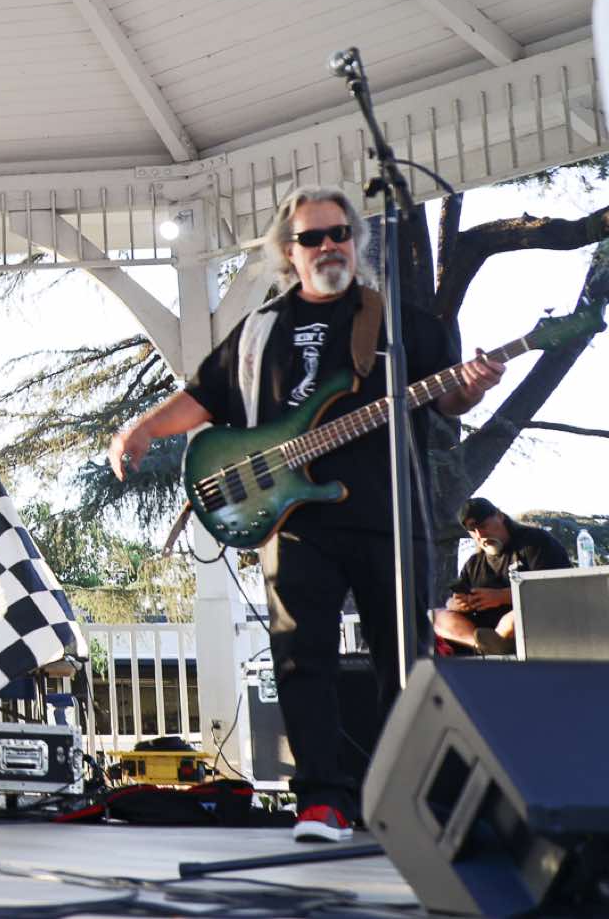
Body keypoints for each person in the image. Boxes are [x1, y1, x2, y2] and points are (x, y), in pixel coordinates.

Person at [107, 186, 502, 844]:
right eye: (313, 237)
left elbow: (449, 398)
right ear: (288, 252)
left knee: (407, 662)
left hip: (386, 516)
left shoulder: (396, 322)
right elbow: (205, 395)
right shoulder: (260, 328)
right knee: (300, 659)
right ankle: (322, 802)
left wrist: (474, 385)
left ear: (356, 240)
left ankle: (413, 800)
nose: (329, 246)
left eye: (340, 233)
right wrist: (142, 429)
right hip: (294, 520)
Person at [434, 497, 570, 655]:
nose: (480, 535)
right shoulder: (473, 563)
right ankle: (484, 645)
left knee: (513, 619)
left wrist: (501, 596)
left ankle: (495, 642)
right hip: (482, 630)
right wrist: (457, 604)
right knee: (435, 616)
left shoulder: (535, 542)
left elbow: (556, 589)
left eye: (483, 526)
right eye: (473, 531)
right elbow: (452, 599)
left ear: (499, 516)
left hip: (527, 624)